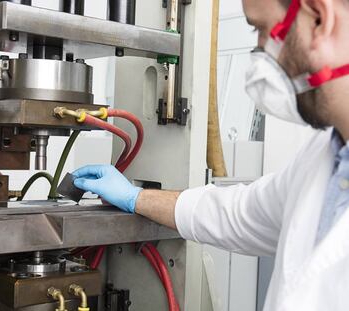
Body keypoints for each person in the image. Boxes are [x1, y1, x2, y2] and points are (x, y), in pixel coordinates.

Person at [73, 0, 349, 309]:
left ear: (320, 19)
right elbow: (236, 213)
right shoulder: (324, 159)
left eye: (260, 28)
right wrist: (134, 196)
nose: (259, 51)